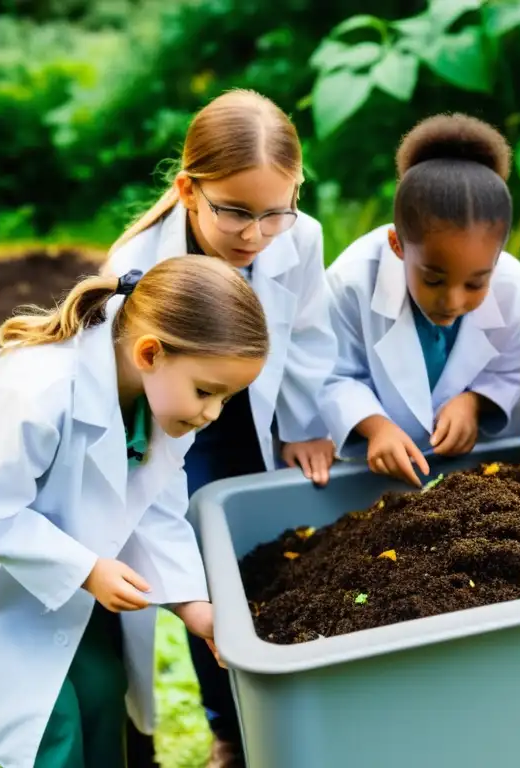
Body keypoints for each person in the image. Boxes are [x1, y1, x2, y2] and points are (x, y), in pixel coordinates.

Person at [0, 256, 268, 768]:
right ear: (150, 352)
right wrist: (87, 569)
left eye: (227, 398)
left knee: (103, 692)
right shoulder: (34, 389)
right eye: (207, 392)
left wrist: (195, 608)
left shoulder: (158, 407)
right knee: (48, 725)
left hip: (56, 571)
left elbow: (156, 513)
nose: (212, 413)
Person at [103, 89, 337, 765]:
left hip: (251, 422)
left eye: (275, 213)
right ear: (187, 189)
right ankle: (228, 733)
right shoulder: (136, 267)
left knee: (264, 561)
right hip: (171, 429)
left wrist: (301, 427)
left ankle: (276, 715)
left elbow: (308, 337)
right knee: (203, 583)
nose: (254, 235)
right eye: (234, 212)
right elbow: (133, 402)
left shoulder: (305, 237)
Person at [319, 113, 520, 487]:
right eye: (433, 279)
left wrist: (476, 403)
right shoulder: (352, 281)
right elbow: (331, 374)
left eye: (475, 283)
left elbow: (519, 367)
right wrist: (375, 427)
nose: (452, 300)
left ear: (498, 257)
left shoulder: (514, 287)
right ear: (397, 245)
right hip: (372, 480)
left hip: (476, 474)